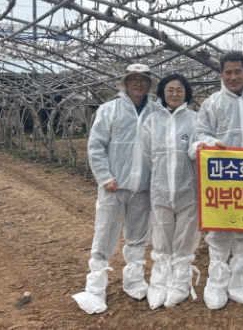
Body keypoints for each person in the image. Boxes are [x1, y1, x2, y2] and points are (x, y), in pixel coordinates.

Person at [73, 63, 160, 314]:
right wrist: (105, 177)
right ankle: (95, 286)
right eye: (133, 79)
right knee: (105, 233)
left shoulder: (157, 112)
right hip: (114, 185)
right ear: (125, 83)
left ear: (149, 84)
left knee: (138, 234)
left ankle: (134, 280)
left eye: (143, 80)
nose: (138, 84)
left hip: (143, 186)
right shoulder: (109, 109)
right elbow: (96, 145)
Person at [190, 51, 243, 310]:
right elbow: (199, 136)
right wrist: (213, 143)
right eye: (228, 72)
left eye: (238, 72)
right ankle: (216, 283)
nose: (233, 77)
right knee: (219, 231)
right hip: (221, 181)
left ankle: (238, 281)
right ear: (221, 75)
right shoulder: (212, 103)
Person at [140, 74, 200, 309]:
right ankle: (159, 282)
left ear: (186, 93)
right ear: (162, 93)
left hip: (188, 190)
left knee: (185, 238)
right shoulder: (152, 121)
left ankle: (180, 283)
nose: (175, 94)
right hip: (160, 190)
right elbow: (146, 155)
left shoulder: (195, 119)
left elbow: (198, 148)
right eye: (170, 90)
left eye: (179, 90)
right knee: (162, 237)